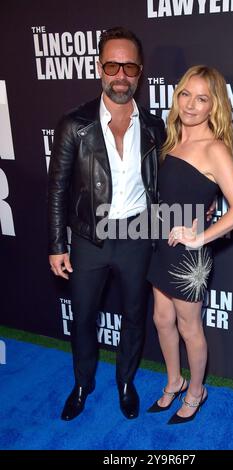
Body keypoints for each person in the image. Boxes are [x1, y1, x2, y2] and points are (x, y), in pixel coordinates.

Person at [48, 27, 165, 421]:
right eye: (112, 65)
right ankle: (82, 384)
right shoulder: (73, 125)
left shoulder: (154, 127)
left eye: (128, 66)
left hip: (135, 236)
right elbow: (57, 191)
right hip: (87, 238)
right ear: (99, 68)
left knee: (135, 315)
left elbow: (168, 182)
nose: (120, 75)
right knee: (83, 317)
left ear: (139, 71)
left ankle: (126, 383)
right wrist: (55, 244)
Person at [147, 65, 233, 424]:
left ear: (214, 106)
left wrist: (200, 237)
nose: (191, 104)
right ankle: (174, 380)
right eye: (185, 94)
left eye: (202, 98)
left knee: (189, 327)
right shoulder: (171, 138)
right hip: (161, 244)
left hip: (188, 255)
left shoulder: (215, 149)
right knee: (162, 319)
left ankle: (196, 391)